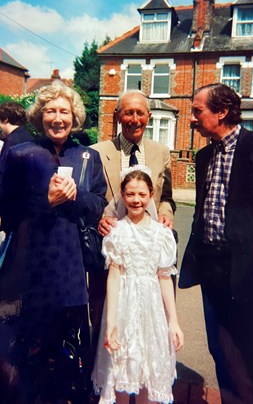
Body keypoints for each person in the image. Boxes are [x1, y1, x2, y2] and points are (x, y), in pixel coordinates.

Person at [0, 83, 107, 404]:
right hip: (29, 268)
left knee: (66, 352)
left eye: (64, 111)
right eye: (50, 111)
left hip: (71, 268)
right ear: (39, 116)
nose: (58, 118)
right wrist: (45, 201)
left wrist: (73, 198)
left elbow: (99, 203)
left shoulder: (87, 156)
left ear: (74, 117)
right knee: (27, 352)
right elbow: (6, 209)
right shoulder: (20, 154)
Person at [179, 83, 253, 404]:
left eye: (197, 110)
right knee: (221, 350)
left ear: (222, 111)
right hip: (211, 270)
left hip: (250, 271)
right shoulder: (204, 156)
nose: (191, 118)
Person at [90, 89, 177, 382]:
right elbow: (91, 198)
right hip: (113, 246)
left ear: (149, 117)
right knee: (106, 317)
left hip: (148, 248)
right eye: (128, 112)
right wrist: (101, 218)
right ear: (117, 117)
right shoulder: (98, 151)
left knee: (147, 320)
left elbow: (166, 196)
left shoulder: (161, 152)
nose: (135, 119)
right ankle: (107, 380)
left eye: (140, 113)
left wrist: (166, 212)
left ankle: (141, 379)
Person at [92, 166, 184, 404]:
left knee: (148, 368)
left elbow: (164, 278)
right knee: (122, 366)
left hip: (151, 309)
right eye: (130, 194)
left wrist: (173, 321)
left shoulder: (161, 235)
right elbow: (113, 277)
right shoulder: (118, 232)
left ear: (151, 195)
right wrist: (111, 322)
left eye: (142, 194)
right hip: (123, 306)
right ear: (122, 195)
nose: (136, 200)